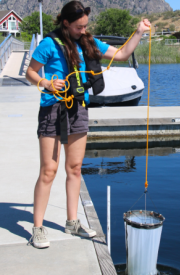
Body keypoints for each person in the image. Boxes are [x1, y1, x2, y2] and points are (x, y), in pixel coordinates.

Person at [25, 1, 150, 248]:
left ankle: (73, 222)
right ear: (66, 23)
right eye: (79, 26)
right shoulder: (49, 44)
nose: (83, 30)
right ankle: (37, 228)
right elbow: (30, 72)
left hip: (78, 109)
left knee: (75, 168)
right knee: (48, 171)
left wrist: (138, 32)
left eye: (85, 26)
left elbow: (122, 54)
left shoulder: (88, 42)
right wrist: (47, 84)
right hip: (52, 110)